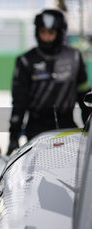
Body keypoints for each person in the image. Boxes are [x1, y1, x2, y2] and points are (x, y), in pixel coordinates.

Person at [7, 9, 91, 155]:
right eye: (43, 32)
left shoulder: (75, 57)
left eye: (50, 33)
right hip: (36, 127)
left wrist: (89, 128)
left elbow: (85, 97)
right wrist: (13, 136)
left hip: (67, 125)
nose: (46, 37)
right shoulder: (26, 60)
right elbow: (19, 102)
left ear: (60, 33)